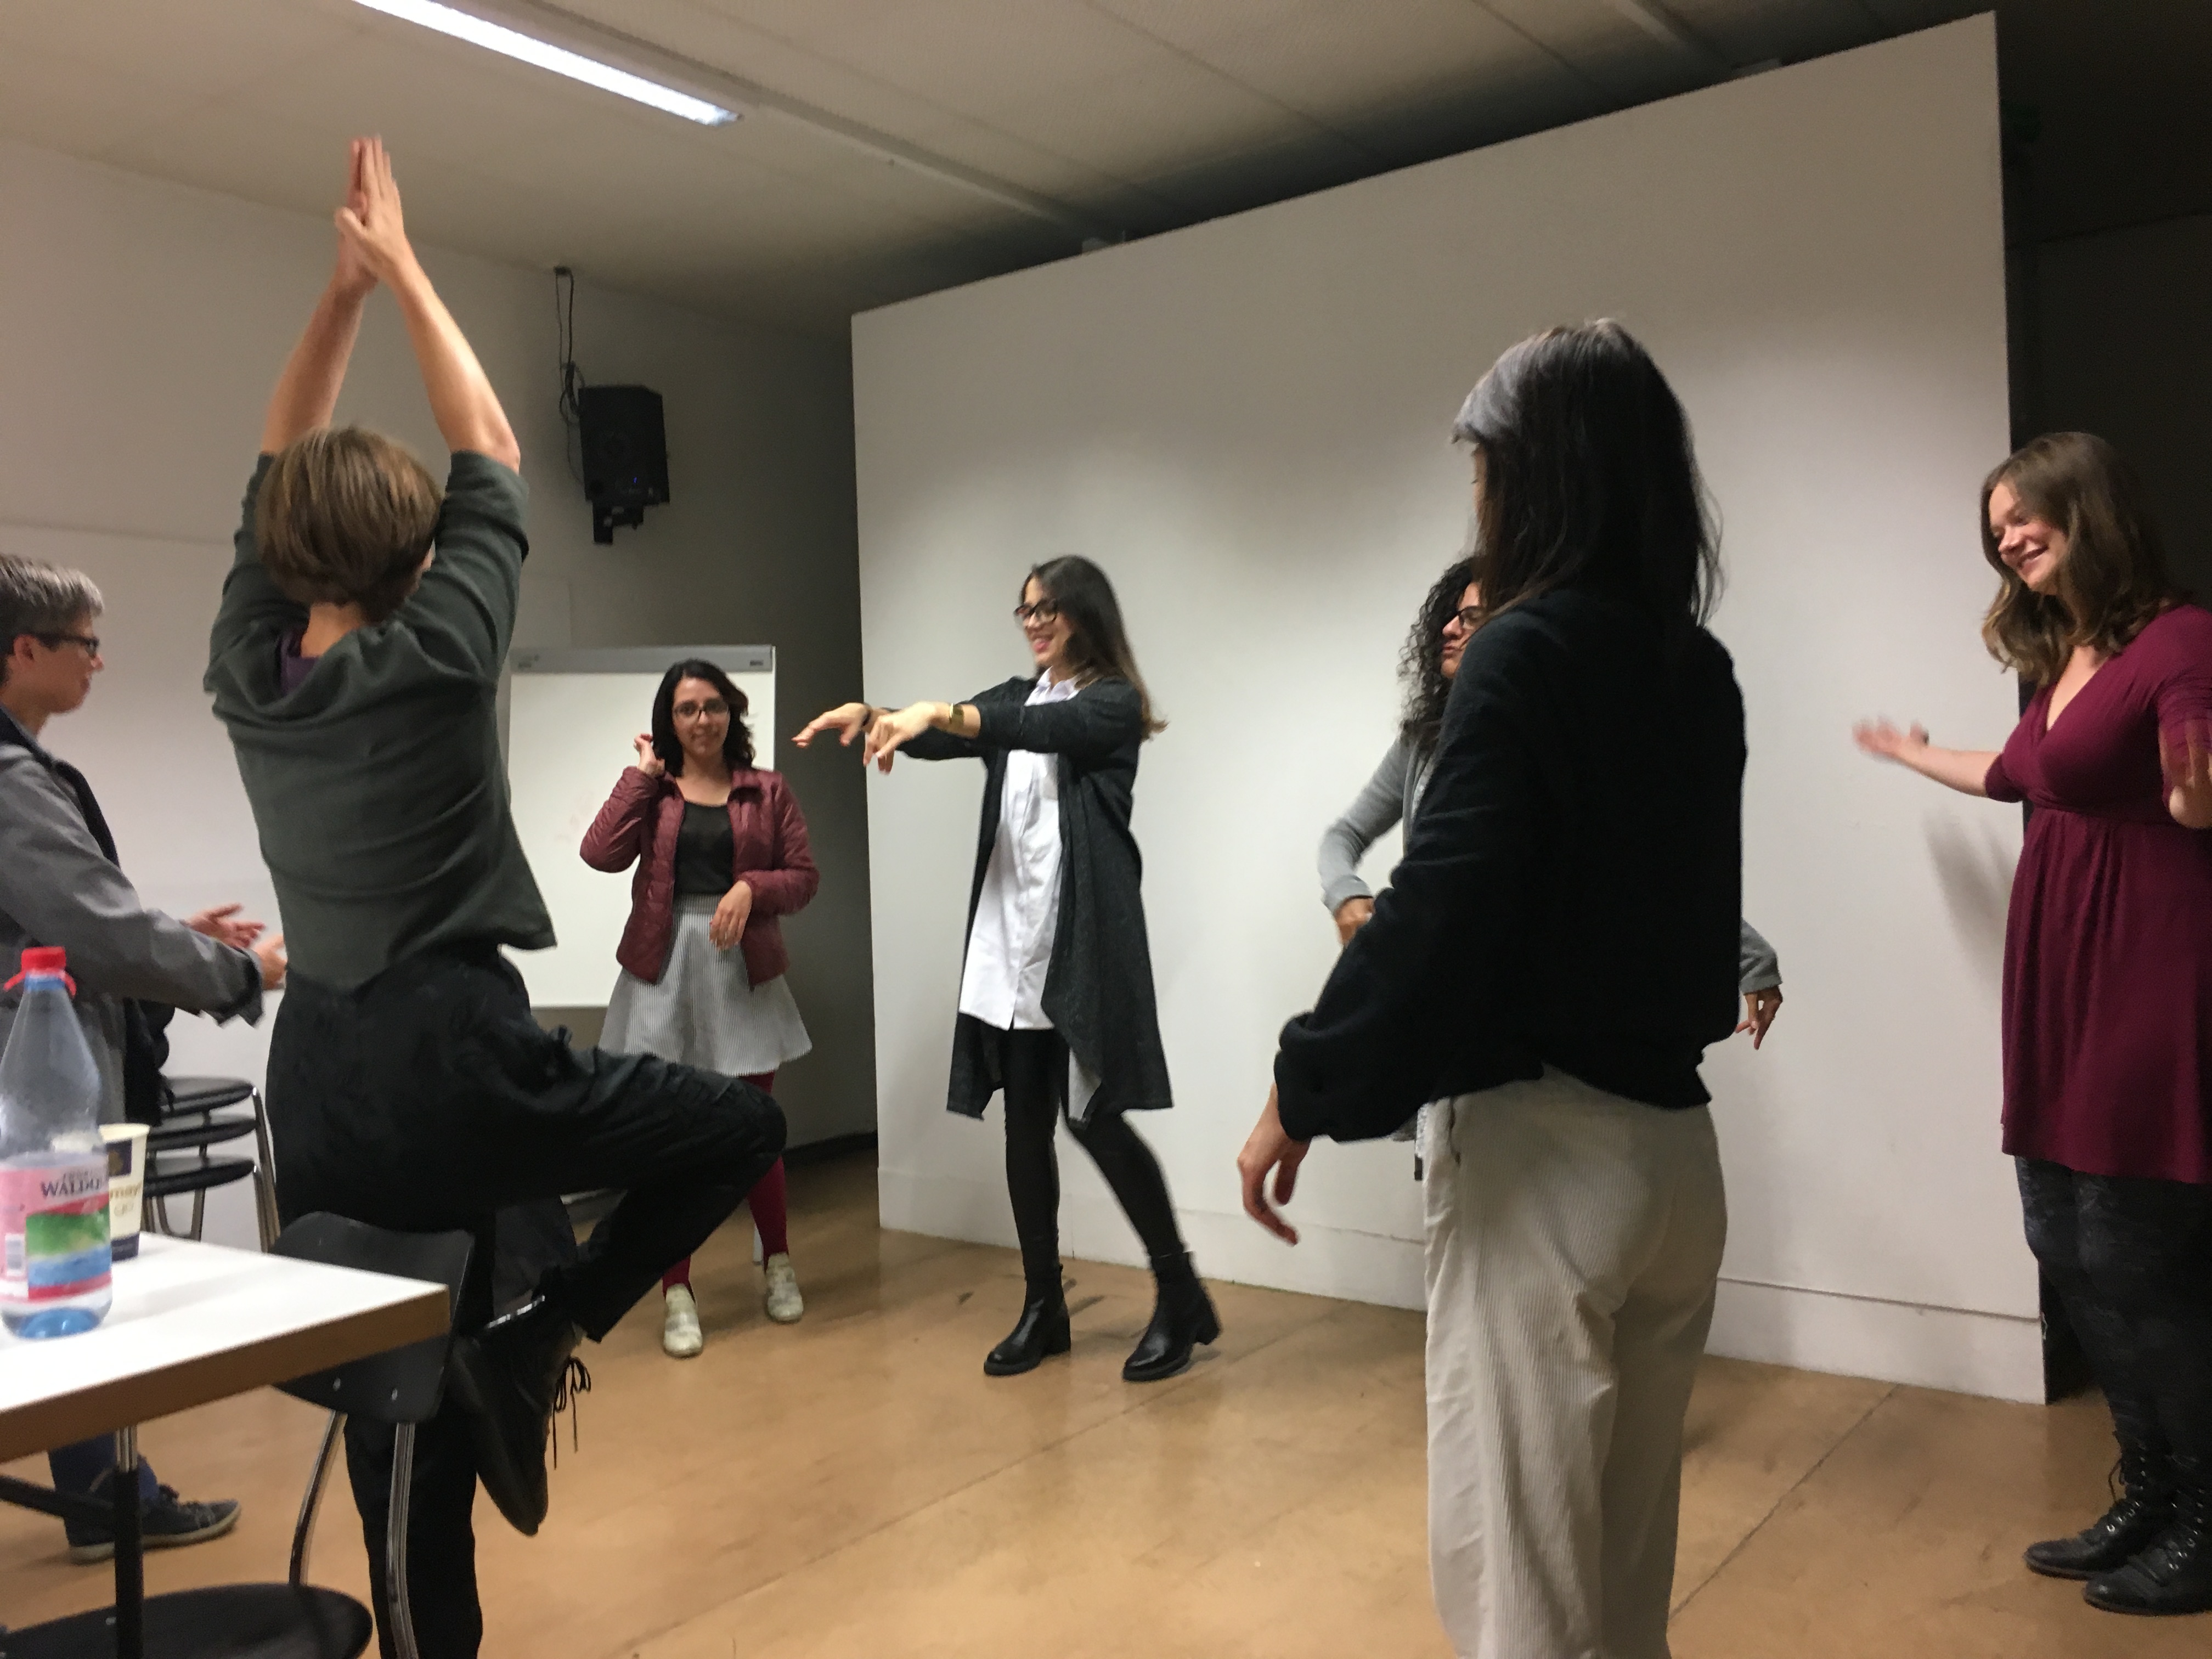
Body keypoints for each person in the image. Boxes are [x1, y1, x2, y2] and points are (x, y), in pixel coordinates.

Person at [201, 139, 785, 1659]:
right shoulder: (444, 652)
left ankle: (457, 1500)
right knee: (738, 1132)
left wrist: (338, 297)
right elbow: (500, 444)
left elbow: (280, 458)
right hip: (458, 1047)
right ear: (418, 556)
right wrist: (398, 266)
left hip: (316, 1067)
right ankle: (545, 1339)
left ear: (281, 556)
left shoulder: (248, 675)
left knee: (397, 1405)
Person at [1239, 321, 1743, 1658]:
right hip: (1676, 1167)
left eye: (1484, 471)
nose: (1478, 498)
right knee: (1624, 1588)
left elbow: (1437, 914)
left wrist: (1302, 1085)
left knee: (1521, 1596)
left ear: (1532, 477)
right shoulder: (1696, 668)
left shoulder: (1523, 653)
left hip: (1544, 1168)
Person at [1854, 430, 2212, 1618]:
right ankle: (2150, 1489)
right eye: (1995, 525)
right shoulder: (2068, 656)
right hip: (2061, 986)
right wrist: (1913, 754)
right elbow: (2013, 776)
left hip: (2148, 977)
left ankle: (2205, 1515)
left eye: (2024, 514)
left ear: (2088, 509)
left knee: (2133, 1255)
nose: (2007, 537)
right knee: (2062, 1238)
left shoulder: (2180, 641)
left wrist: (2194, 782)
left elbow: (2194, 788)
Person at [795, 556, 1219, 1383]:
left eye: (1049, 608)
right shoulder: (1022, 696)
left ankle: (1181, 1293)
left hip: (1080, 944)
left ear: (1085, 614)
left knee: (1095, 1120)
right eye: (1025, 609)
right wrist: (879, 716)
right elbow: (958, 733)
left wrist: (941, 712)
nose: (1035, 622)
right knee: (1024, 1123)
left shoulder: (1109, 704)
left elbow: (1023, 730)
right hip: (1013, 943)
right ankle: (1043, 1305)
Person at [0, 554, 285, 1564]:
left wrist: (169, 934)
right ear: (23, 649)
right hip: (30, 1098)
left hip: (29, 1086)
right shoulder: (9, 781)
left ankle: (105, 1498)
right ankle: (111, 1502)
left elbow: (63, 922)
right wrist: (238, 969)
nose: (99, 660)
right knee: (61, 1282)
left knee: (55, 1285)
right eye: (84, 643)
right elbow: (96, 929)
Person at [1319, 556, 1785, 1138]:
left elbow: (1634, 871)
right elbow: (1344, 838)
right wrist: (1347, 896)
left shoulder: (1546, 739)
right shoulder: (1421, 743)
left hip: (1522, 1055)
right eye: (1450, 616)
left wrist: (1751, 958)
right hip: (1446, 1020)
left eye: (1471, 617)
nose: (1449, 629)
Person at [581, 659, 818, 1354]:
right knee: (670, 1135)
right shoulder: (654, 791)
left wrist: (751, 888)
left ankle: (778, 1261)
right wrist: (641, 777)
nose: (702, 720)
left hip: (741, 961)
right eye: (687, 709)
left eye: (713, 706)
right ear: (669, 720)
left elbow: (803, 878)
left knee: (756, 1125)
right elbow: (599, 853)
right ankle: (676, 1291)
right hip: (663, 964)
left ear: (730, 711)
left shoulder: (766, 789)